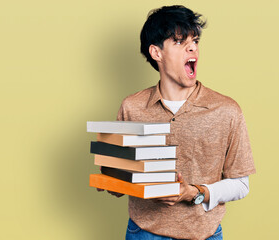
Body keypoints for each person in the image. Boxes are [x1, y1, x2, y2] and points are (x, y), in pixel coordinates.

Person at [100, 5, 256, 240]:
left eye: (194, 40)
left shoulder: (226, 110)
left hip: (205, 235)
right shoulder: (131, 107)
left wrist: (192, 193)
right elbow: (117, 186)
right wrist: (112, 177)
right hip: (144, 233)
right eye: (179, 41)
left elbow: (241, 185)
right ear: (156, 53)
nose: (192, 47)